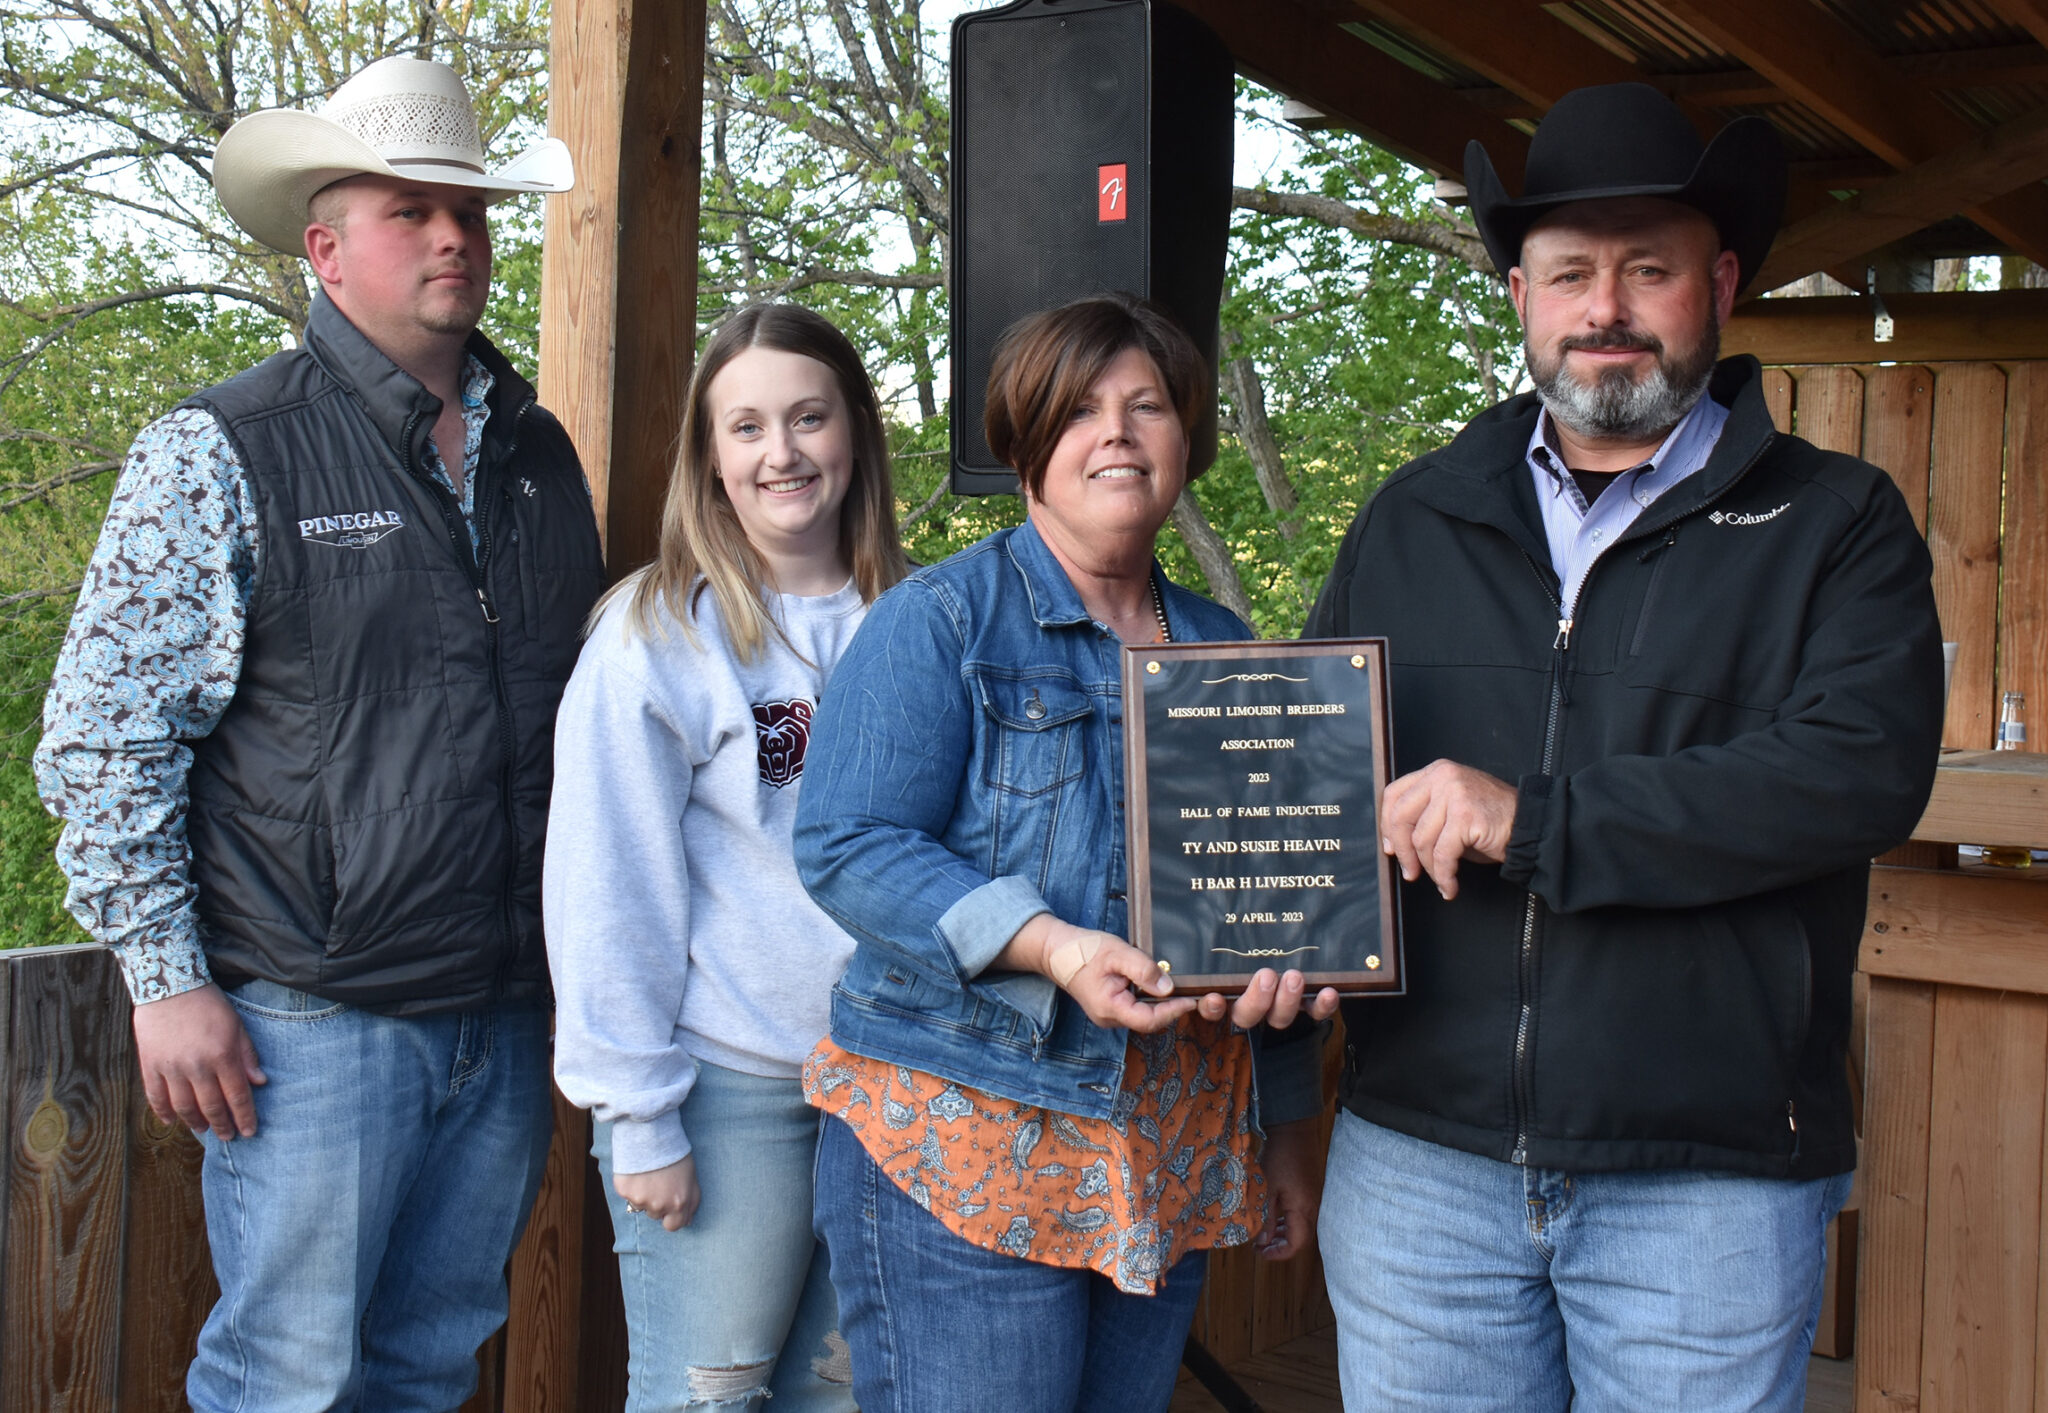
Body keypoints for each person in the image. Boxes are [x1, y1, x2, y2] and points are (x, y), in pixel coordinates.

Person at [1306, 82, 1944, 1411]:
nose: (1605, 308)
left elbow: (1852, 773)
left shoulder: (1836, 524)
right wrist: (1266, 944)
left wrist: (1532, 820)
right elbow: (1312, 781)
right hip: (1423, 1169)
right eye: (1570, 272)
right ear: (1522, 297)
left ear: (1715, 284)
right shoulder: (1414, 519)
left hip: (1704, 1185)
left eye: (1645, 268)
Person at [34, 56, 601, 1412]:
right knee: (285, 1374)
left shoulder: (542, 459)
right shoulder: (220, 448)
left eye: (468, 208)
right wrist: (165, 977)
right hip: (309, 1018)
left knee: (427, 1365)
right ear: (324, 246)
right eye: (410, 209)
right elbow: (103, 734)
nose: (453, 234)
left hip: (507, 1013)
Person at [791, 292, 1339, 1413]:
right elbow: (845, 845)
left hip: (1166, 1153)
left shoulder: (1230, 649)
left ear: (1188, 437)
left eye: (1148, 406)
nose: (1119, 434)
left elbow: (1274, 901)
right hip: (970, 1143)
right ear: (1023, 443)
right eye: (1081, 410)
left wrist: (1286, 1128)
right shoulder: (939, 621)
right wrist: (1049, 947)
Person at [544, 303, 906, 1411]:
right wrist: (638, 1114)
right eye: (745, 427)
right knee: (710, 1397)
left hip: (897, 1087)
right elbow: (607, 885)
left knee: (845, 1399)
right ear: (710, 455)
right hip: (726, 1087)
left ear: (856, 433)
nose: (781, 452)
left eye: (808, 417)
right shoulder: (657, 634)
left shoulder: (925, 617)